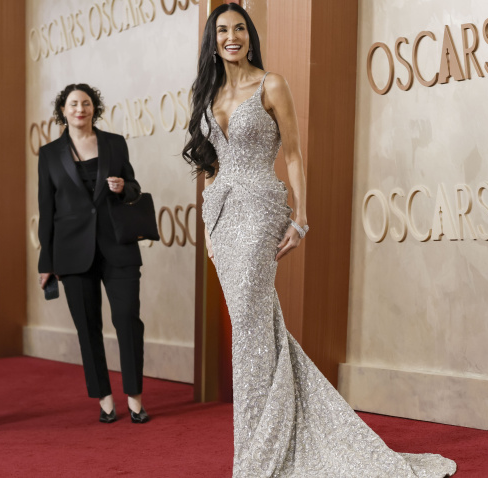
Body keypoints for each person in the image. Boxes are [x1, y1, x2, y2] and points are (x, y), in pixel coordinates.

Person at [182, 5, 457, 477]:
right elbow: (210, 168)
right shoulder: (206, 94)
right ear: (214, 39)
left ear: (251, 36)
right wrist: (209, 227)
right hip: (221, 217)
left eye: (240, 29)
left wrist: (301, 219)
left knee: (250, 329)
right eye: (223, 30)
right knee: (259, 328)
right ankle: (280, 438)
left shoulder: (271, 85)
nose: (232, 37)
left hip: (261, 209)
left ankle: (255, 458)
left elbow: (293, 155)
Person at [37, 84, 149, 424]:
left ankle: (135, 397)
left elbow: (134, 188)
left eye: (86, 103)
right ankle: (103, 397)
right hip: (72, 252)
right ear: (63, 110)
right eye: (73, 104)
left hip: (118, 245)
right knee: (88, 327)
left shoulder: (114, 142)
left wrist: (122, 188)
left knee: (128, 319)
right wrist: (46, 262)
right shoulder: (49, 153)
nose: (80, 109)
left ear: (93, 108)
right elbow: (46, 210)